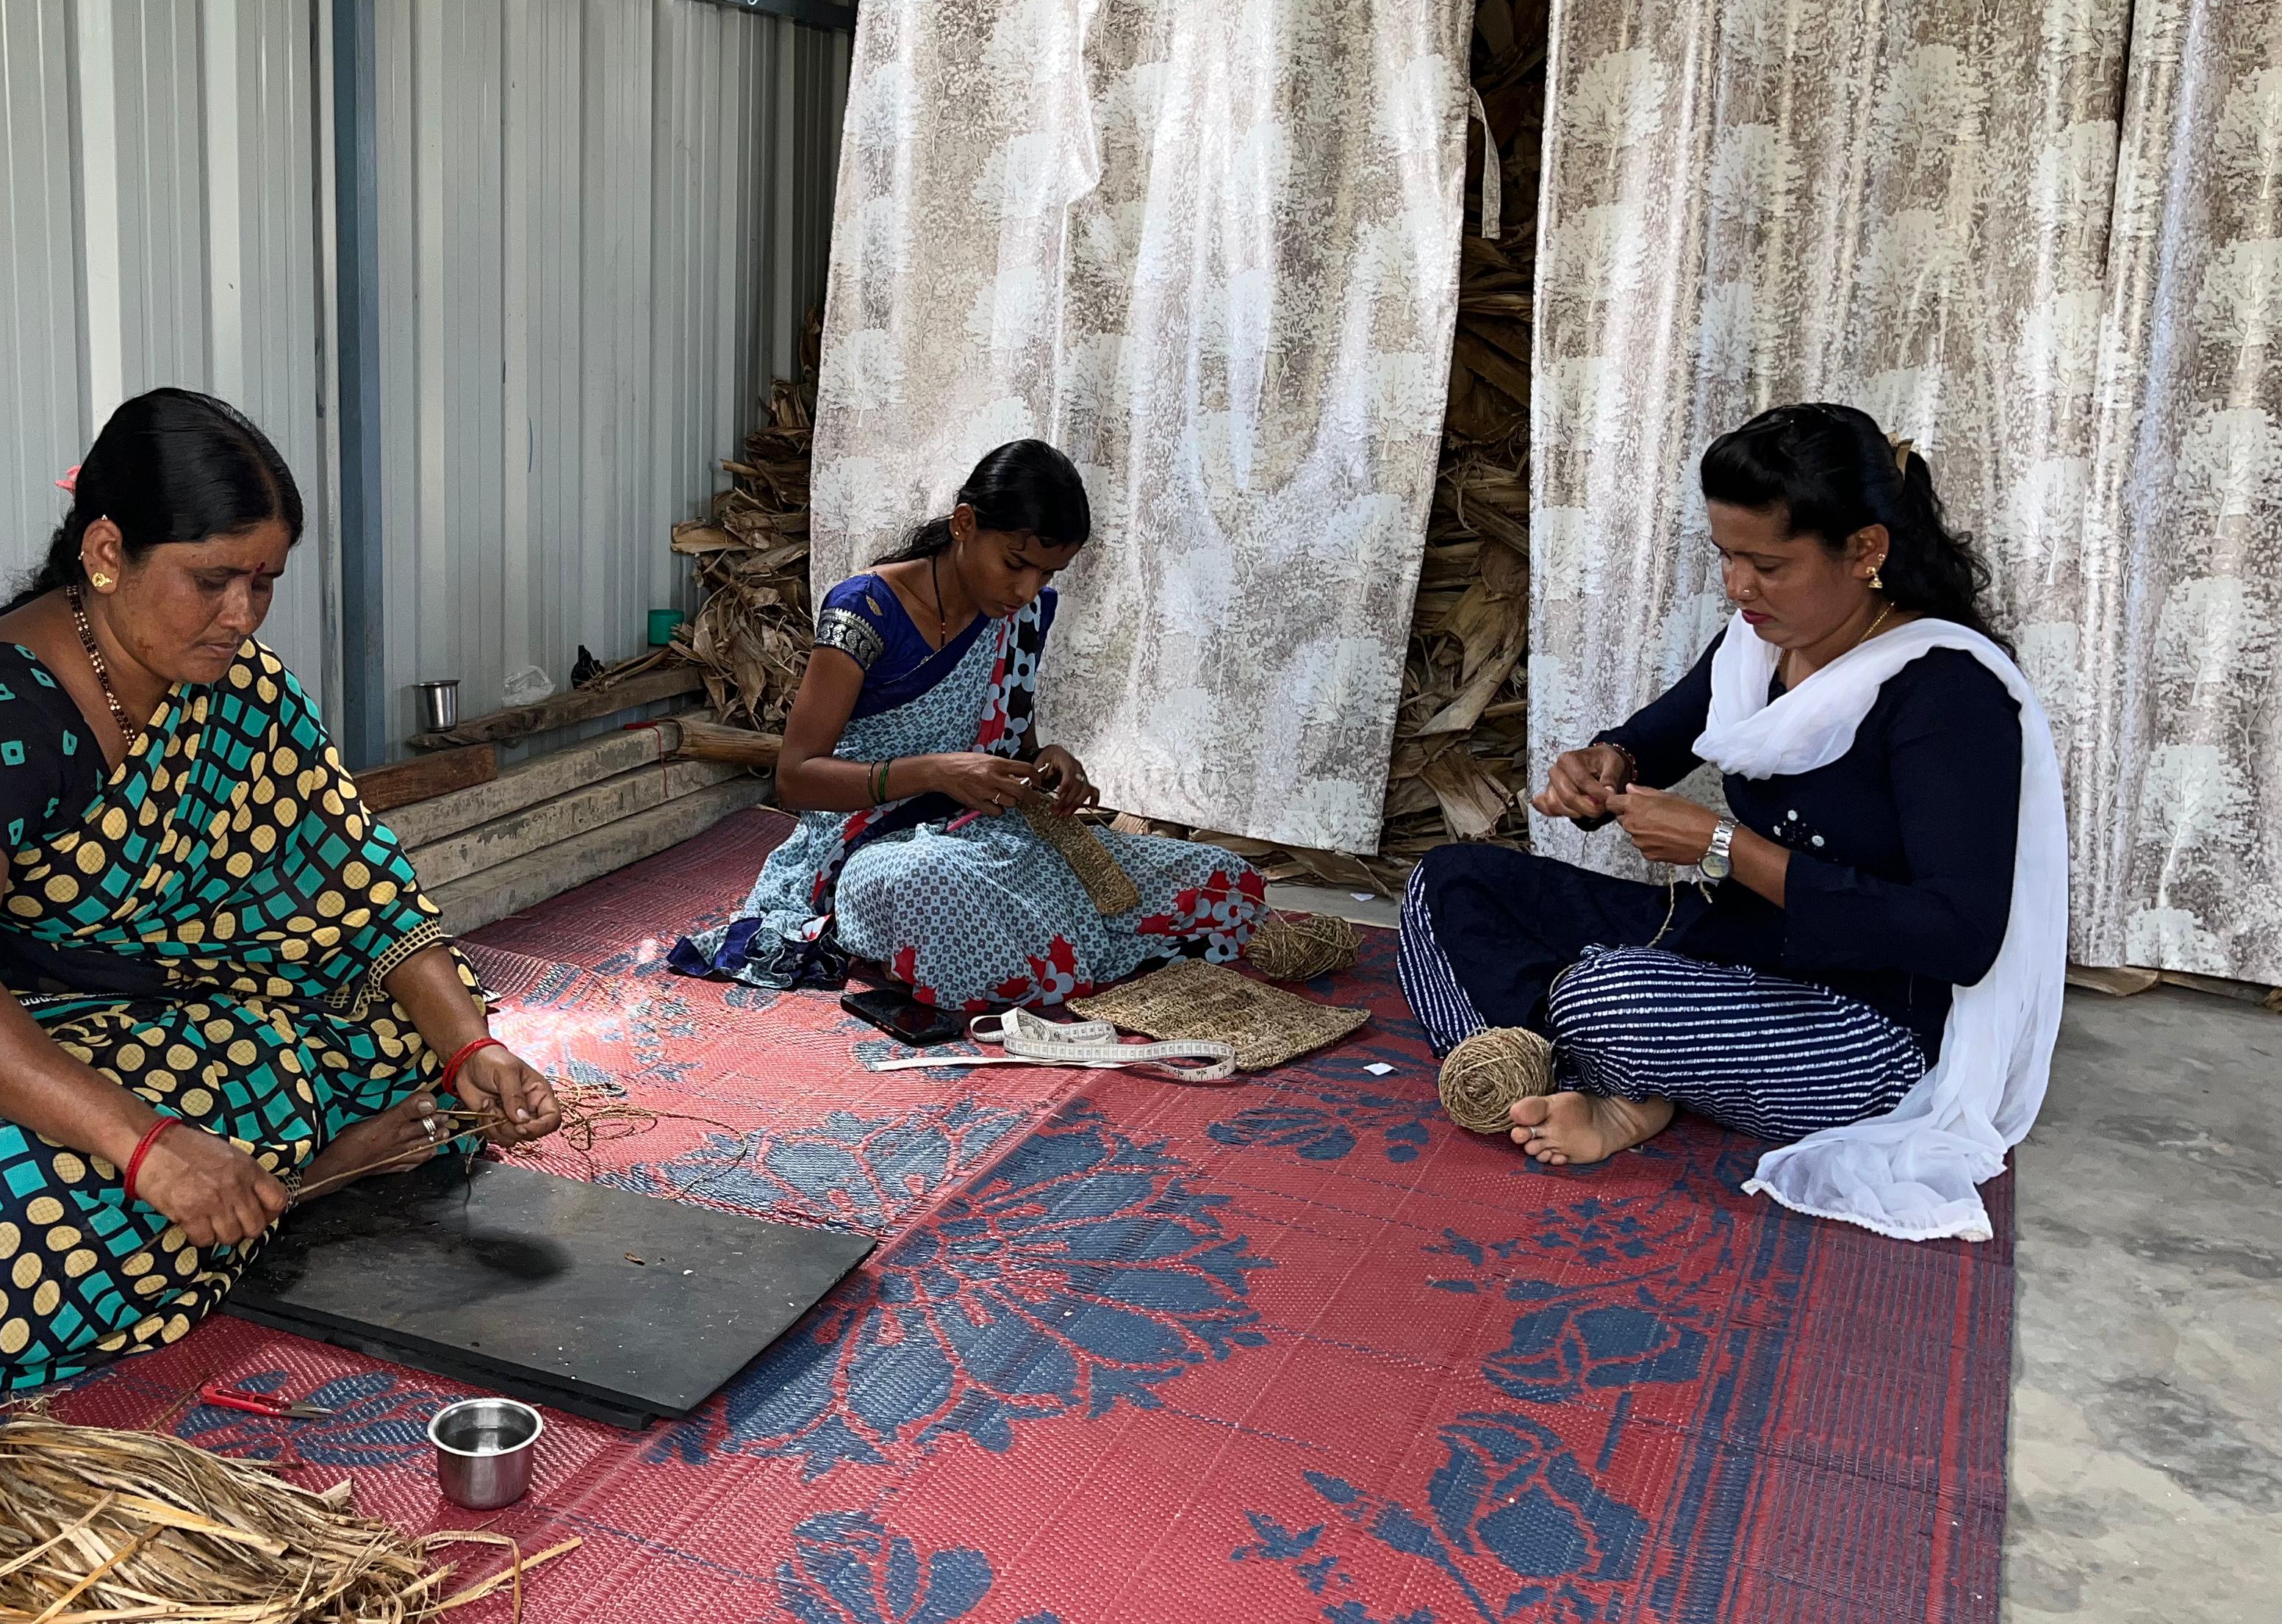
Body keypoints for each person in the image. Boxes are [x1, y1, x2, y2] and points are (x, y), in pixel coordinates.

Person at [0, 388, 562, 1391]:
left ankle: (259, 1191)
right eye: (210, 581)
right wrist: (148, 1146)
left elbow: (364, 896)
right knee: (15, 1218)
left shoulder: (237, 687)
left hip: (172, 1027)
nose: (240, 617)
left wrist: (472, 1048)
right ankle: (317, 1176)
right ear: (107, 553)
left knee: (423, 1016)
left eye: (264, 584)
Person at [1397, 402, 2066, 1240]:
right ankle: (1543, 1074)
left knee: (1613, 997)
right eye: (1726, 557)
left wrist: (1721, 846)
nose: (1738, 588)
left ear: (1865, 551)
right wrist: (1606, 765)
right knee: (1446, 884)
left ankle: (1610, 1079)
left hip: (1865, 1027)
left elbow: (1959, 937)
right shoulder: (1759, 642)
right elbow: (1654, 741)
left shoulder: (1946, 693)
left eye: (1768, 564)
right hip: (1732, 946)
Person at [671, 440, 1268, 1010]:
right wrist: (936, 772)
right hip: (877, 846)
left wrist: (1049, 762)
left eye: (1047, 575)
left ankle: (1040, 955)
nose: (1026, 589)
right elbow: (796, 779)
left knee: (1224, 884)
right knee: (930, 886)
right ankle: (1057, 949)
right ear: (964, 525)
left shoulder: (1023, 613)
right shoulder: (866, 611)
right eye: (1016, 564)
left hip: (994, 836)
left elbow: (1011, 742)